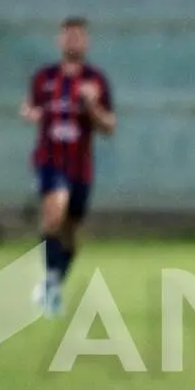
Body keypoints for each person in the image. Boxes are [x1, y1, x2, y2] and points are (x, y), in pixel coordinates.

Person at [21, 16, 115, 318]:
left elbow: (109, 126)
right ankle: (49, 281)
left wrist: (92, 107)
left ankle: (53, 284)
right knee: (54, 211)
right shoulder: (44, 78)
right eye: (68, 36)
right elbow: (30, 107)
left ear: (85, 42)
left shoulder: (96, 81)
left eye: (79, 36)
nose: (73, 41)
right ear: (60, 41)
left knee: (71, 232)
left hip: (80, 166)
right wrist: (30, 113)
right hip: (49, 160)